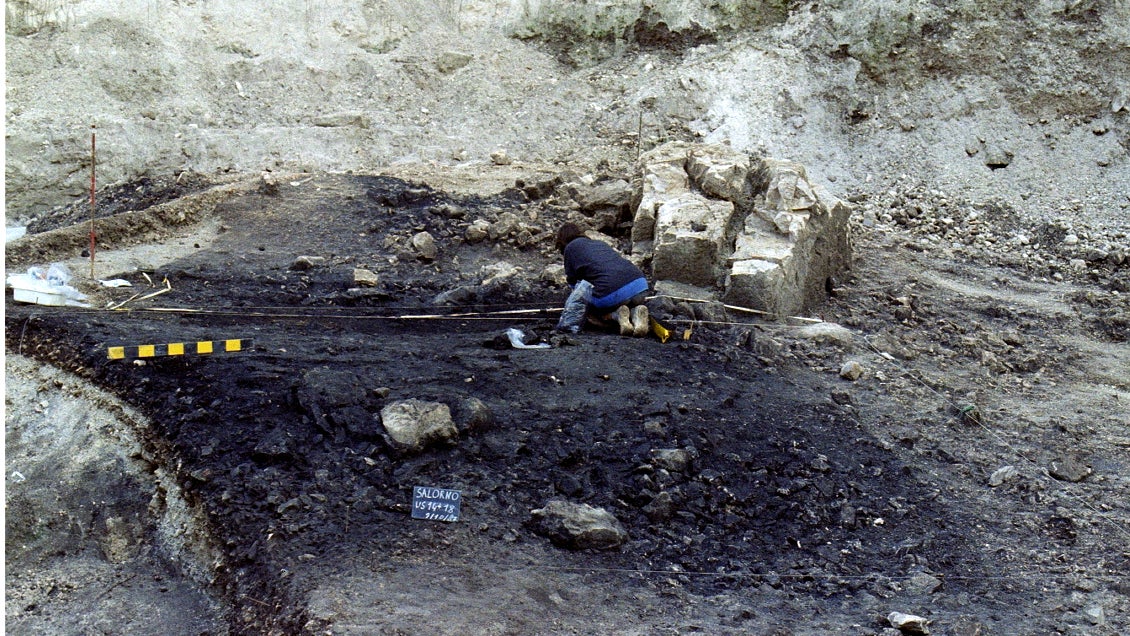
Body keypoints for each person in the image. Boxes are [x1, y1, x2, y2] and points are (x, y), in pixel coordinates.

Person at [556, 222, 650, 337]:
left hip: (612, 294)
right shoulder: (599, 243)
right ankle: (636, 313)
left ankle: (615, 316)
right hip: (640, 284)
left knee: (586, 305)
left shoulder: (569, 249)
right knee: (622, 297)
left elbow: (574, 285)